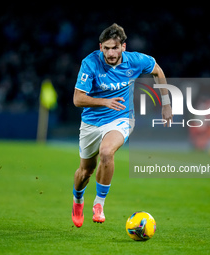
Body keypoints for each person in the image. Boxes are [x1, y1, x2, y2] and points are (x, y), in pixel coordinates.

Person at [72, 23, 172, 228]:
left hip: (121, 118)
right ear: (100, 47)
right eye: (106, 48)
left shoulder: (135, 61)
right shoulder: (90, 63)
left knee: (107, 152)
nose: (110, 52)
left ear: (123, 47)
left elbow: (158, 70)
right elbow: (77, 99)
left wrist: (166, 103)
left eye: (115, 48)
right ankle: (78, 201)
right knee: (85, 172)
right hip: (91, 121)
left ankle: (99, 204)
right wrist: (103, 101)